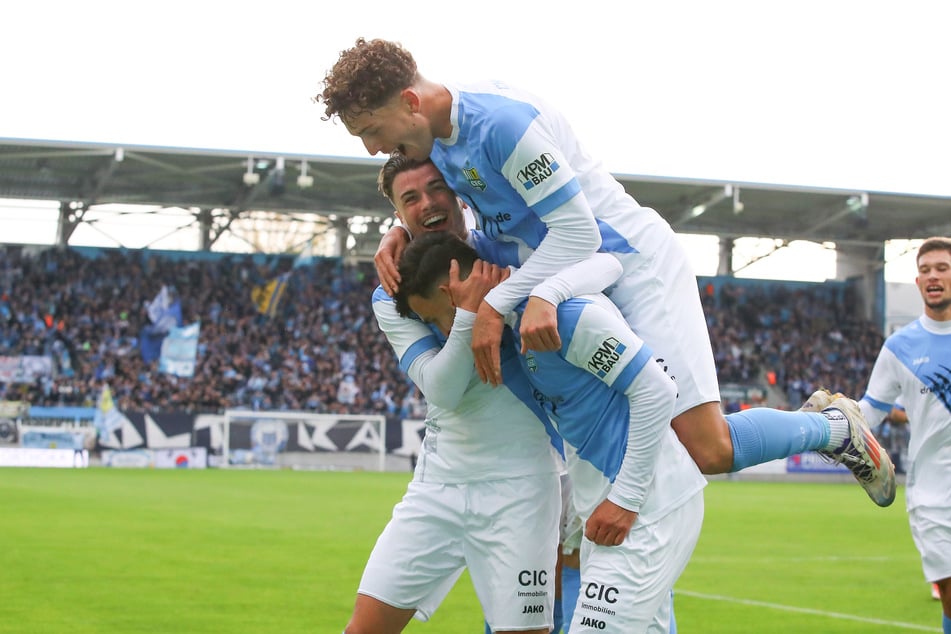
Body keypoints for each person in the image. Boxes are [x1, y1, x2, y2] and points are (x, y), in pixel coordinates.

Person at [316, 37, 897, 508]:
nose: (372, 148)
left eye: (371, 130)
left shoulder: (501, 125)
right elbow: (450, 207)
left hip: (631, 268)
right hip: (569, 283)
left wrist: (496, 304)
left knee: (706, 449)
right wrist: (401, 231)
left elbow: (579, 234)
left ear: (410, 103)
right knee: (624, 457)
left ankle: (833, 430)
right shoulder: (435, 138)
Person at [346, 157, 626, 634]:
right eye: (409, 198)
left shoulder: (512, 256)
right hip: (439, 488)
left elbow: (605, 251)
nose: (427, 203)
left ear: (457, 191)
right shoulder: (392, 293)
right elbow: (443, 389)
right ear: (396, 212)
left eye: (436, 188)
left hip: (524, 489)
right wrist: (474, 315)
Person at [395, 230, 706, 633]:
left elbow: (658, 392)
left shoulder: (562, 315)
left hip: (646, 510)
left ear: (458, 284)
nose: (442, 329)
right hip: (607, 516)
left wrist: (624, 501)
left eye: (441, 314)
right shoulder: (513, 328)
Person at [855, 237, 951, 633]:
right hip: (933, 496)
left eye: (942, 268)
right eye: (926, 269)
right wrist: (827, 422)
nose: (933, 276)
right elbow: (870, 412)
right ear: (917, 282)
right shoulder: (899, 347)